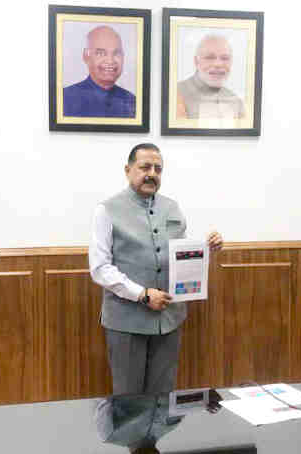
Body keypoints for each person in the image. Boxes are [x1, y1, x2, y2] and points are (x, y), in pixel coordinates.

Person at [89, 143, 223, 395]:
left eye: (158, 169)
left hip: (168, 320)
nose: (152, 173)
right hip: (126, 321)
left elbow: (180, 254)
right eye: (145, 167)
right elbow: (100, 267)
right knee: (129, 400)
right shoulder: (106, 210)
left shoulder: (172, 207)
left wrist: (208, 247)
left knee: (162, 397)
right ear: (128, 170)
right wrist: (142, 294)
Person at [63, 25, 136, 118]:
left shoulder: (132, 101)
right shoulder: (65, 99)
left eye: (116, 53)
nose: (110, 61)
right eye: (101, 53)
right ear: (86, 56)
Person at [176, 34, 245, 120]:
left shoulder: (236, 102)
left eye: (225, 58)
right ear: (196, 62)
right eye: (209, 57)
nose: (218, 64)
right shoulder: (176, 94)